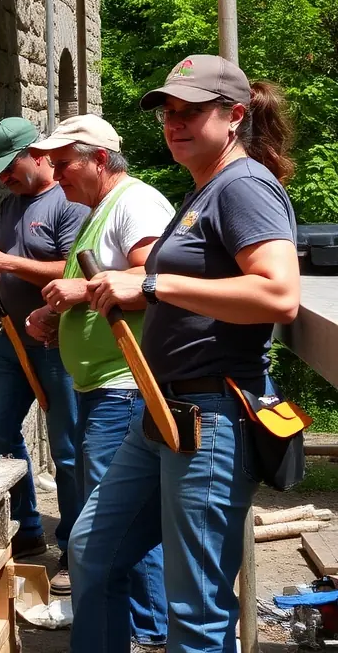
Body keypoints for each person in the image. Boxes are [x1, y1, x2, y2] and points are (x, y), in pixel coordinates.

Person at [68, 55, 301, 653]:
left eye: (193, 111)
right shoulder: (204, 191)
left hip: (212, 417)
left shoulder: (245, 186)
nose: (176, 123)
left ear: (235, 116)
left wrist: (150, 284)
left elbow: (279, 294)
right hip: (163, 415)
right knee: (93, 550)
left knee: (195, 609)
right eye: (169, 113)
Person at [24, 115, 173, 650]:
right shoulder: (95, 212)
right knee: (114, 520)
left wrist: (79, 295)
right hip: (100, 386)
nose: (56, 175)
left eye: (64, 165)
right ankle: (139, 625)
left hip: (124, 388)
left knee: (120, 521)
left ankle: (148, 630)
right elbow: (96, 287)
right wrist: (55, 318)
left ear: (100, 160)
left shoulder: (135, 203)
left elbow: (150, 280)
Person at [0, 116, 87, 591]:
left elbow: (71, 271)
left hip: (60, 341)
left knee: (70, 451)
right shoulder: (10, 205)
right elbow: (0, 268)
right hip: (11, 337)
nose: (4, 177)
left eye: (10, 166)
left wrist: (4, 261)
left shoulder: (70, 203)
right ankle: (28, 531)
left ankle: (73, 547)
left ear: (39, 155)